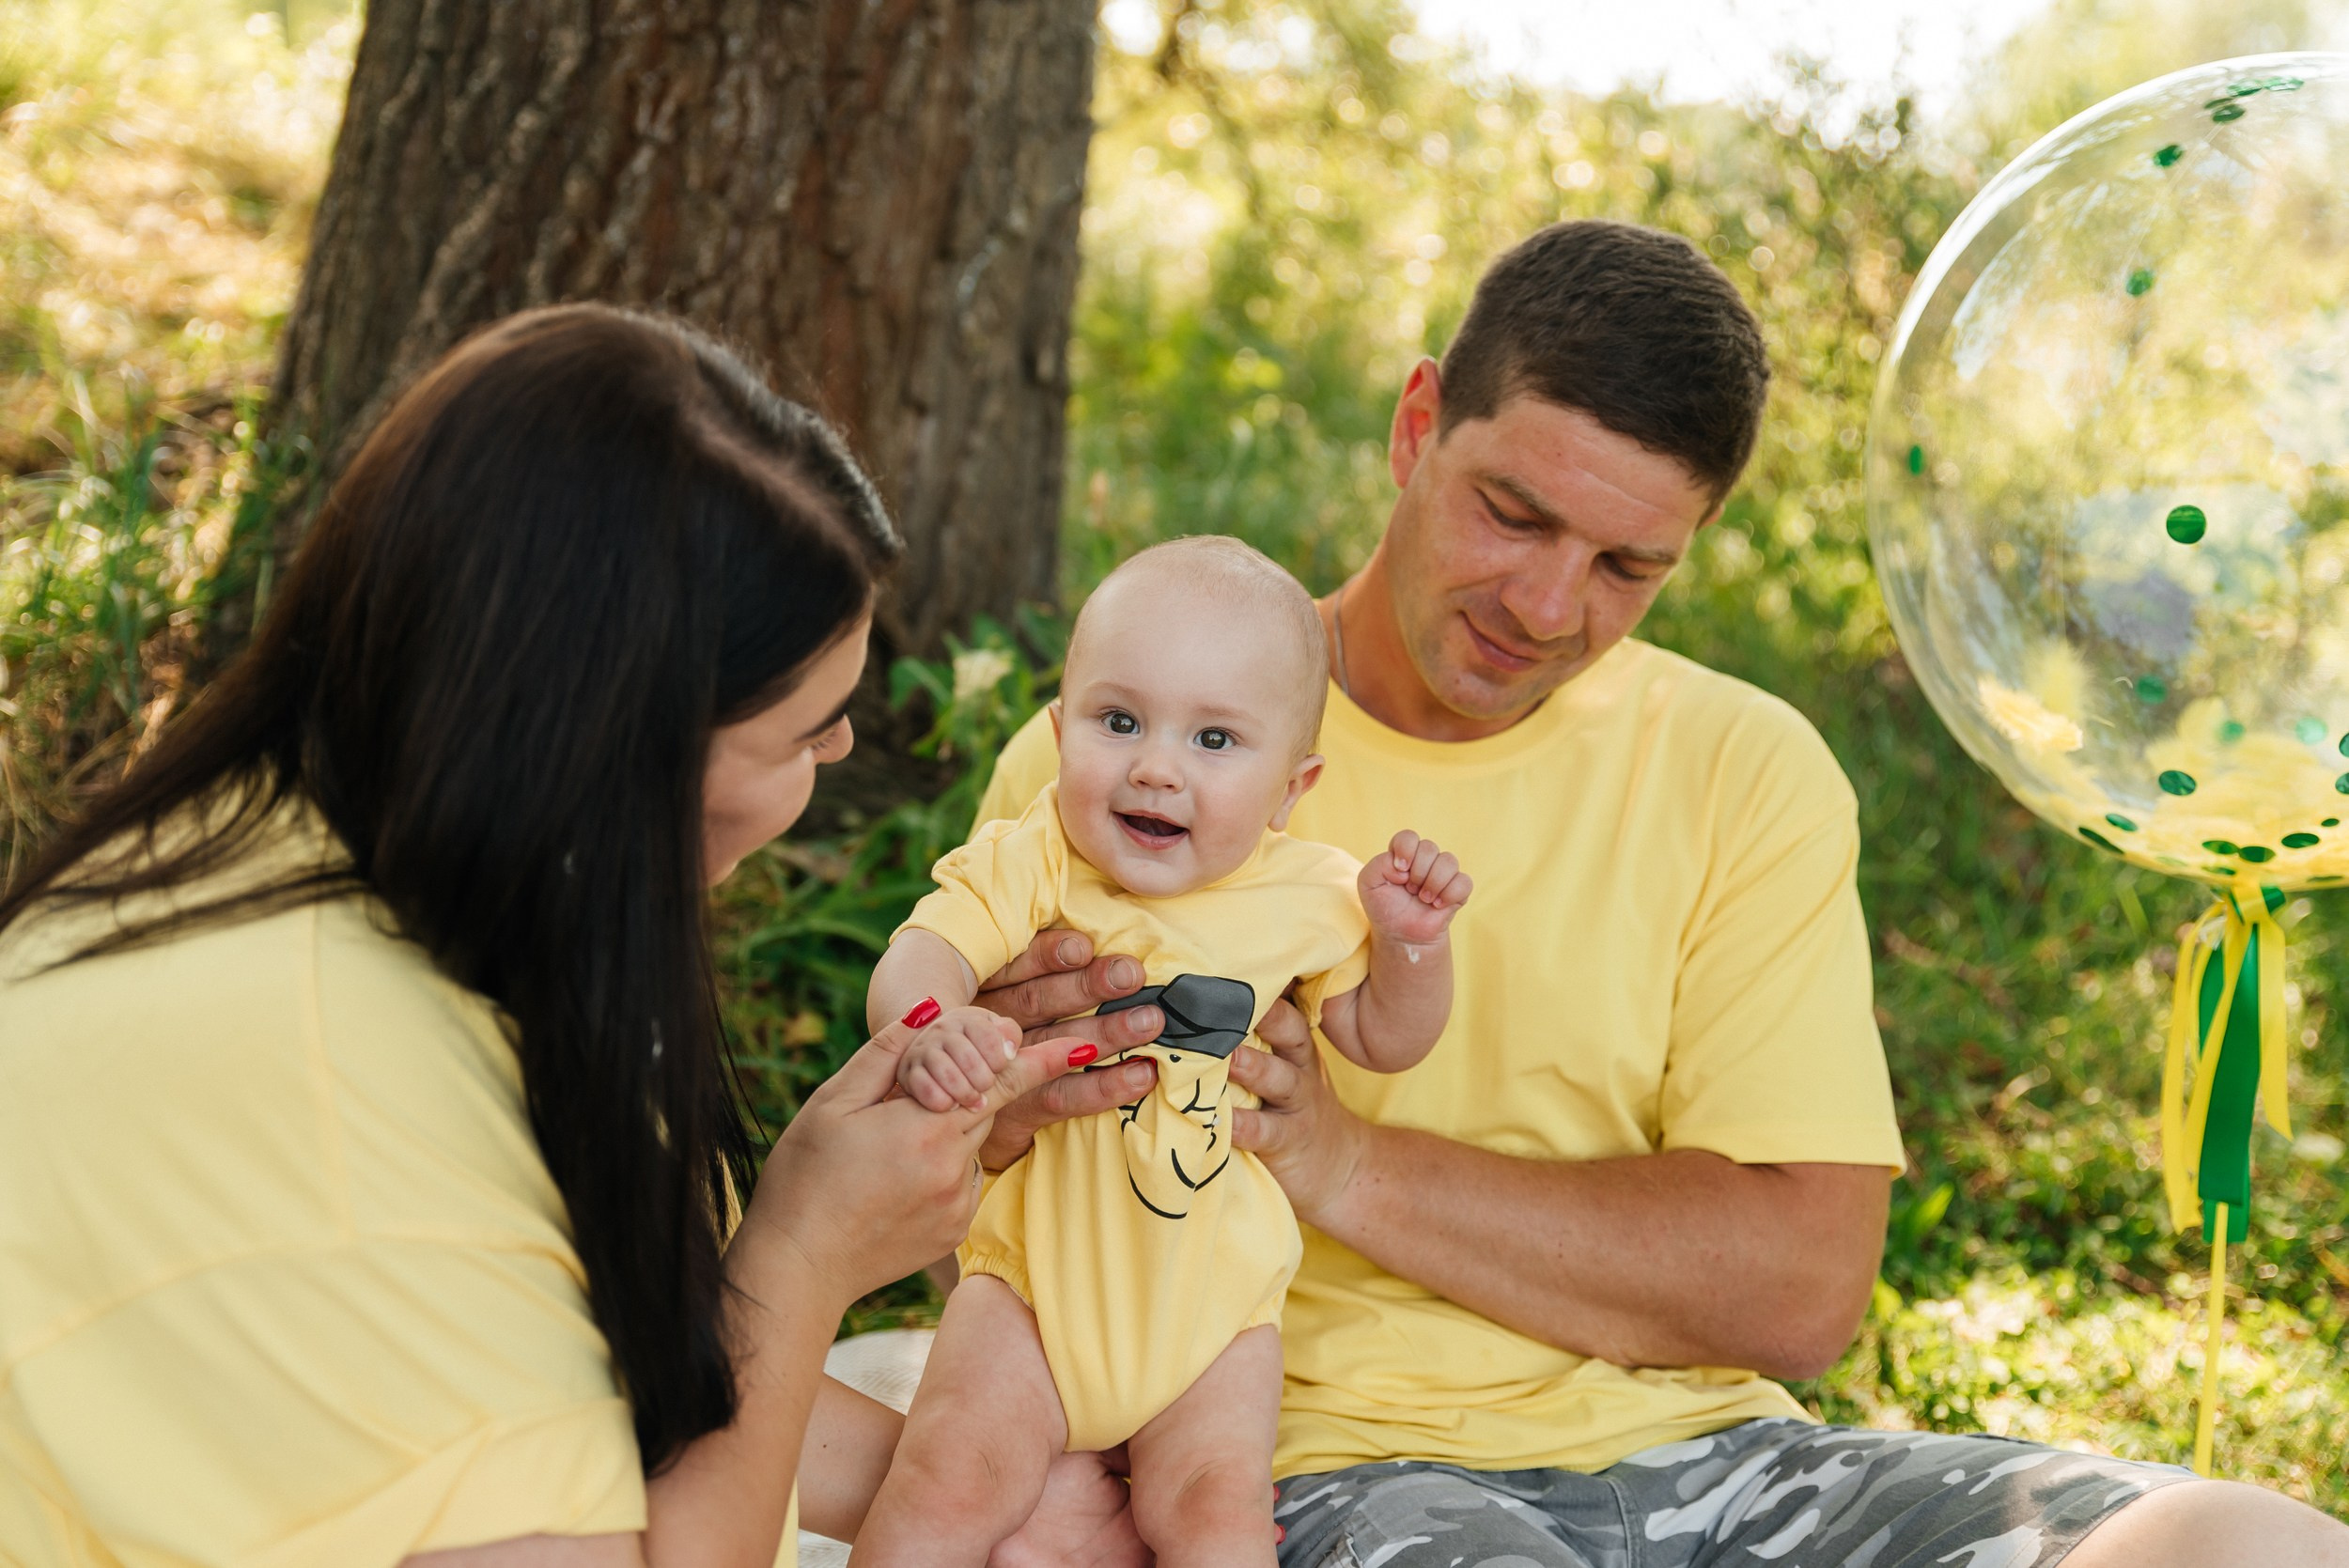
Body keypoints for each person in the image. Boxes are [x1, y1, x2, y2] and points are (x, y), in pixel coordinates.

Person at [957, 222, 2349, 1565]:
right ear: (1415, 425)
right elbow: (976, 1202)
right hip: (1338, 1473)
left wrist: (1345, 1160)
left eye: (1630, 566)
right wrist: (1002, 1109)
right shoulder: (1123, 769)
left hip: (1730, 1463)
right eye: (1515, 514)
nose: (1551, 607)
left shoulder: (1747, 766)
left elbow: (1801, 1286)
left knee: (2257, 1546)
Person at [0, 305, 1143, 1568]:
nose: (843, 750)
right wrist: (805, 1256)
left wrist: (1013, 1502)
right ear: (613, 755)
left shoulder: (325, 852)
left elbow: (600, 1400)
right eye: (804, 730)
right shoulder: (330, 1103)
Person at [852, 538, 1470, 1566]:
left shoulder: (1310, 893)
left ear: (1290, 785)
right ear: (1059, 733)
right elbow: (923, 950)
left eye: (1215, 739)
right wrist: (933, 1024)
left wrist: (1411, 941)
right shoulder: (1037, 853)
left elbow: (1380, 1038)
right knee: (949, 1471)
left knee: (1213, 1513)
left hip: (1213, 1308)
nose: (1156, 765)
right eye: (1120, 720)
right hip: (1031, 1287)